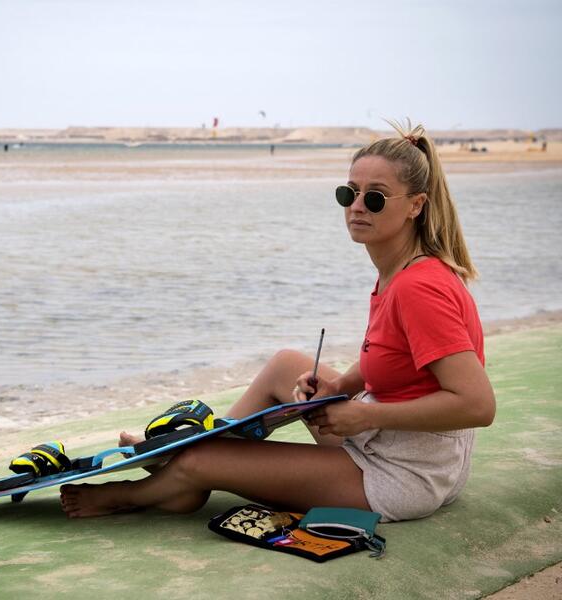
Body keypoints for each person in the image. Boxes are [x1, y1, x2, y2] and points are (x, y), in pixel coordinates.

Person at [60, 121, 496, 522]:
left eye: (375, 197)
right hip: (387, 439)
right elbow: (393, 355)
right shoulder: (399, 271)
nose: (357, 206)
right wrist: (338, 389)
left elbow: (477, 406)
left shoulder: (418, 287)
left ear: (415, 205)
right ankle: (189, 462)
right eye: (349, 193)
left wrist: (365, 417)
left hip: (404, 471)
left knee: (201, 463)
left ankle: (166, 484)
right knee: (287, 363)